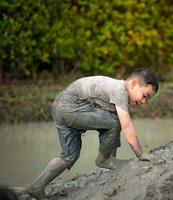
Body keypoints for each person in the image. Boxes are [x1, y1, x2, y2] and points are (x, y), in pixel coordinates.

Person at [25, 68, 159, 199]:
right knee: (115, 122)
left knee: (69, 156)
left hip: (61, 108)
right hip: (71, 107)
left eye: (147, 100)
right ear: (134, 83)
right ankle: (105, 160)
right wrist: (141, 154)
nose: (143, 102)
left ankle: (36, 186)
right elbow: (126, 126)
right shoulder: (119, 90)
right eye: (144, 96)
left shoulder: (119, 91)